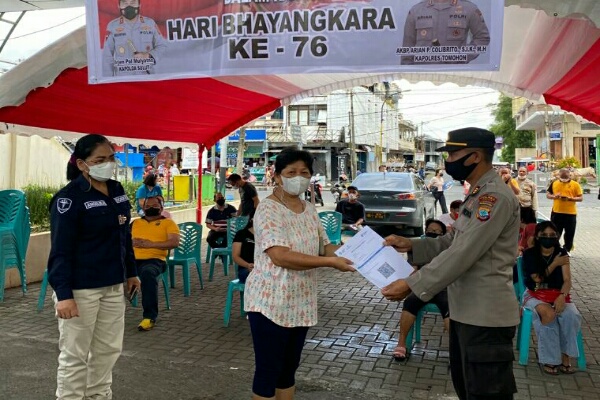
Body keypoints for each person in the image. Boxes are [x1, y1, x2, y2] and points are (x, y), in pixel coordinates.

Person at [381, 127, 520, 400]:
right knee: (466, 388)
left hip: (485, 316)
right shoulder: (478, 193)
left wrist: (412, 284)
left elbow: (462, 254)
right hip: (464, 312)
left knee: (486, 393)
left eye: (454, 153)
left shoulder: (494, 198)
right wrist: (412, 244)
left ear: (475, 156)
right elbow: (453, 241)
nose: (449, 159)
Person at [243, 147, 355, 400]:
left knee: (288, 371)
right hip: (269, 302)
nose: (298, 177)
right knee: (268, 372)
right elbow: (280, 256)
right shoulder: (269, 209)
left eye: (304, 172)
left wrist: (364, 253)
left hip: (300, 301)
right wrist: (329, 263)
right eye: (291, 172)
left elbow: (327, 247)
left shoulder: (308, 208)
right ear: (278, 176)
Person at [47, 134, 140, 400]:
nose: (108, 164)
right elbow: (60, 251)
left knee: (108, 351)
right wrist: (64, 295)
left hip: (112, 285)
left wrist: (131, 272)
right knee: (75, 355)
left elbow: (125, 236)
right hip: (80, 290)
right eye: (100, 159)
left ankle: (99, 396)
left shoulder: (117, 190)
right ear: (81, 164)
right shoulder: (69, 199)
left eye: (111, 158)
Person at [521, 221, 582, 375]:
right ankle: (550, 359)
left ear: (557, 236)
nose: (548, 238)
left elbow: (567, 280)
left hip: (558, 294)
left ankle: (565, 357)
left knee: (571, 315)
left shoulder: (562, 253)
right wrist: (555, 264)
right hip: (535, 294)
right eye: (544, 235)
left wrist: (562, 296)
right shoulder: (530, 254)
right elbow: (537, 280)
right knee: (548, 314)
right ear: (537, 237)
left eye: (552, 235)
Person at [392, 219, 449, 362]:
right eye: (430, 230)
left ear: (443, 235)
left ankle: (455, 350)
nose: (433, 233)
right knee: (410, 303)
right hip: (422, 286)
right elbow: (412, 271)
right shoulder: (418, 249)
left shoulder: (447, 250)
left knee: (449, 308)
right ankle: (402, 343)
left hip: (443, 288)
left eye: (437, 232)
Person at [131, 196, 180, 331]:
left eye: (154, 206)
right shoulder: (135, 223)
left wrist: (150, 244)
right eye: (147, 206)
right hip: (132, 260)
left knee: (148, 274)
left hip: (155, 260)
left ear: (161, 208)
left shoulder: (168, 224)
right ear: (143, 208)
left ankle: (149, 317)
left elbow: (174, 242)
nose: (151, 208)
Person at [402, 0, 490, 65]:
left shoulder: (469, 9)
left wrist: (462, 57)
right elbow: (408, 47)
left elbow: (482, 38)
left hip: (454, 75)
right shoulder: (416, 11)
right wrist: (406, 74)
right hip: (422, 75)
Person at [102, 0, 167, 77]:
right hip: (123, 80)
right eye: (125, 3)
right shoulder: (113, 26)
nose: (129, 6)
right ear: (119, 6)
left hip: (147, 77)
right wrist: (108, 80)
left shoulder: (150, 23)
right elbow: (107, 55)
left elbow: (162, 46)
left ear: (139, 5)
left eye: (133, 2)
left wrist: (148, 55)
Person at [546, 168, 583, 252]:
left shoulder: (575, 184)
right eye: (562, 178)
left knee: (569, 234)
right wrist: (554, 196)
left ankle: (567, 249)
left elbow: (580, 198)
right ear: (559, 176)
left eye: (566, 178)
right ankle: (555, 249)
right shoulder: (554, 183)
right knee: (555, 232)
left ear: (569, 175)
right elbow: (548, 195)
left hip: (570, 213)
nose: (564, 180)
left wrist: (571, 198)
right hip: (557, 212)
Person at [232, 219, 255, 284]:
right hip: (246, 269)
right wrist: (247, 265)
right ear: (252, 219)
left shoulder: (269, 236)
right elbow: (235, 256)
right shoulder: (241, 234)